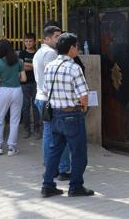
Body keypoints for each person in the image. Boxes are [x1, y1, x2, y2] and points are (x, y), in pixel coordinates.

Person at [41, 33, 94, 198]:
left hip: (55, 115)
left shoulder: (49, 66)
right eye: (76, 46)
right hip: (72, 114)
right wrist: (84, 107)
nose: (77, 49)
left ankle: (47, 185)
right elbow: (83, 95)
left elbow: (44, 90)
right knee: (78, 153)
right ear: (71, 48)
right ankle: (76, 186)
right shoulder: (74, 67)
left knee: (54, 152)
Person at [34, 26, 71, 180]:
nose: (59, 39)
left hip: (42, 97)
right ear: (47, 38)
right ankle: (60, 168)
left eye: (60, 36)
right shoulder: (50, 53)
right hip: (50, 99)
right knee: (57, 136)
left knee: (50, 134)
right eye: (56, 36)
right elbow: (53, 80)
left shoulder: (39, 52)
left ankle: (52, 166)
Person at [0, 39, 27, 156]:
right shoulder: (19, 61)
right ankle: (12, 148)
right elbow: (24, 79)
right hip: (17, 91)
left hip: (3, 91)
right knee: (15, 120)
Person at [19, 33, 39, 138]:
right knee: (25, 107)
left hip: (36, 83)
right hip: (24, 84)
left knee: (36, 107)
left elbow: (38, 66)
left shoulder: (38, 53)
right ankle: (26, 129)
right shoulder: (22, 53)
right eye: (26, 41)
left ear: (35, 42)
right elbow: (21, 66)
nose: (28, 43)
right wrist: (33, 66)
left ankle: (37, 129)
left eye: (30, 41)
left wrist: (29, 66)